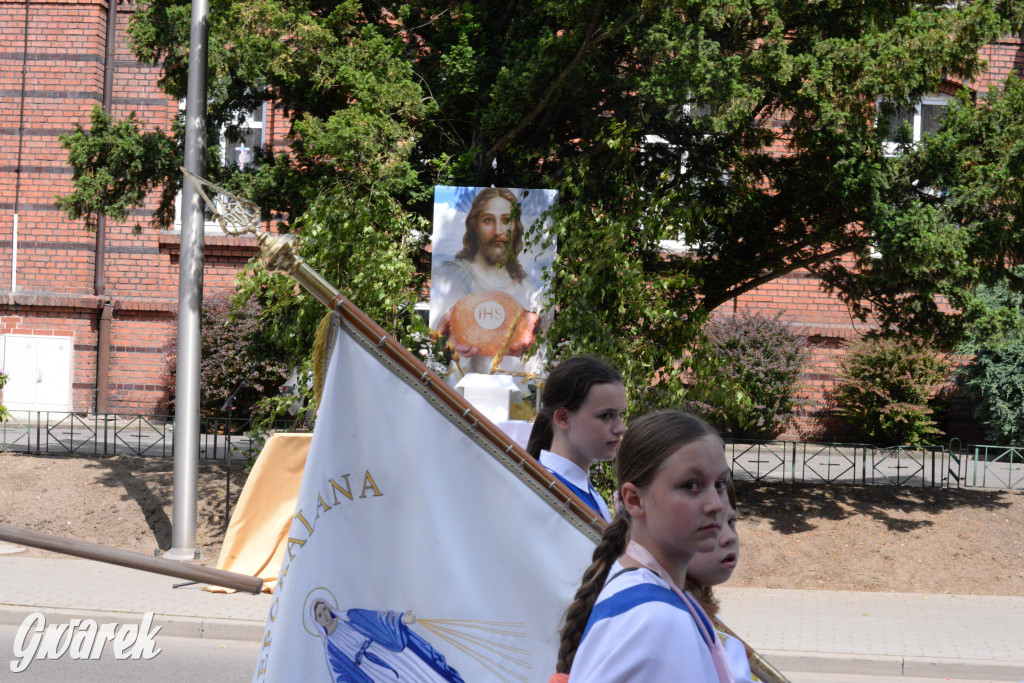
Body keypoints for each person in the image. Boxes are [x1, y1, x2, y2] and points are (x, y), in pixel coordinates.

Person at [554, 410, 735, 683]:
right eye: (691, 485)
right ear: (634, 501)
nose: (716, 504)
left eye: (720, 484)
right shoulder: (656, 620)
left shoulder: (647, 594)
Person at [431, 188, 547, 375]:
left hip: (513, 384)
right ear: (474, 225)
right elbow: (436, 336)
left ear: (516, 227)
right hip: (461, 385)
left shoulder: (527, 285)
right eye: (488, 220)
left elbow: (538, 337)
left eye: (506, 220)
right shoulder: (449, 277)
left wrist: (533, 329)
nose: (498, 231)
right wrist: (445, 342)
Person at [526, 356, 626, 522]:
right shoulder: (545, 492)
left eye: (620, 415)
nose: (620, 428)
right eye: (606, 415)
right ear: (563, 418)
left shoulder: (581, 487)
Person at [686, 483, 761, 683]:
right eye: (712, 526)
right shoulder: (676, 628)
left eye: (731, 522)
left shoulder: (700, 620)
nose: (729, 538)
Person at [311, 599, 465, 682]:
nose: (324, 615)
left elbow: (378, 619)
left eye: (324, 609)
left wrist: (400, 619)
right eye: (319, 615)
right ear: (317, 621)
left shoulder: (350, 616)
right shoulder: (331, 650)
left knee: (417, 674)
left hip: (387, 652)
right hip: (373, 672)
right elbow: (341, 676)